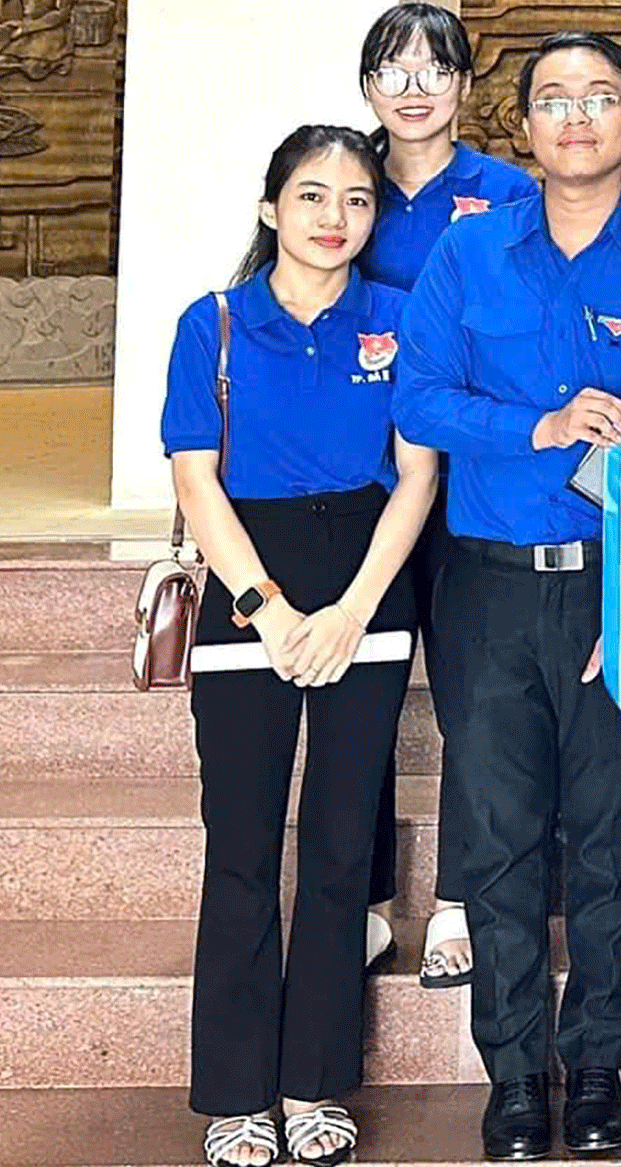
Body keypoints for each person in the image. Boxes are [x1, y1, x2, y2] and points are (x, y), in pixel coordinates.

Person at [394, 31, 621, 1161]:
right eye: (551, 100)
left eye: (599, 99)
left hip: (609, 598)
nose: (576, 117)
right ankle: (515, 1074)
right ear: (521, 127)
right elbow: (423, 400)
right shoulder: (466, 258)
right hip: (483, 592)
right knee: (496, 840)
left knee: (615, 846)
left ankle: (595, 1066)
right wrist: (529, 426)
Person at [166, 125, 439, 1167]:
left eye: (358, 200)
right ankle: (238, 1093)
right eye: (314, 196)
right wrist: (270, 608)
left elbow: (415, 476)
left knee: (337, 852)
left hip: (366, 575)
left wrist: (357, 608)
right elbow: (197, 477)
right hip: (253, 575)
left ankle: (314, 1083)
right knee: (241, 850)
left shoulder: (402, 321)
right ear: (273, 208)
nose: (335, 217)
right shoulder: (216, 324)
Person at [350, 2, 536, 994]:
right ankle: (371, 902)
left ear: (466, 87)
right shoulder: (344, 182)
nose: (414, 87)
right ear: (369, 87)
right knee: (363, 701)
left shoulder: (506, 194)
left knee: (476, 705)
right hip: (367, 487)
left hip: (477, 487)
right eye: (394, 69)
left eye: (435, 68)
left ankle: (464, 898)